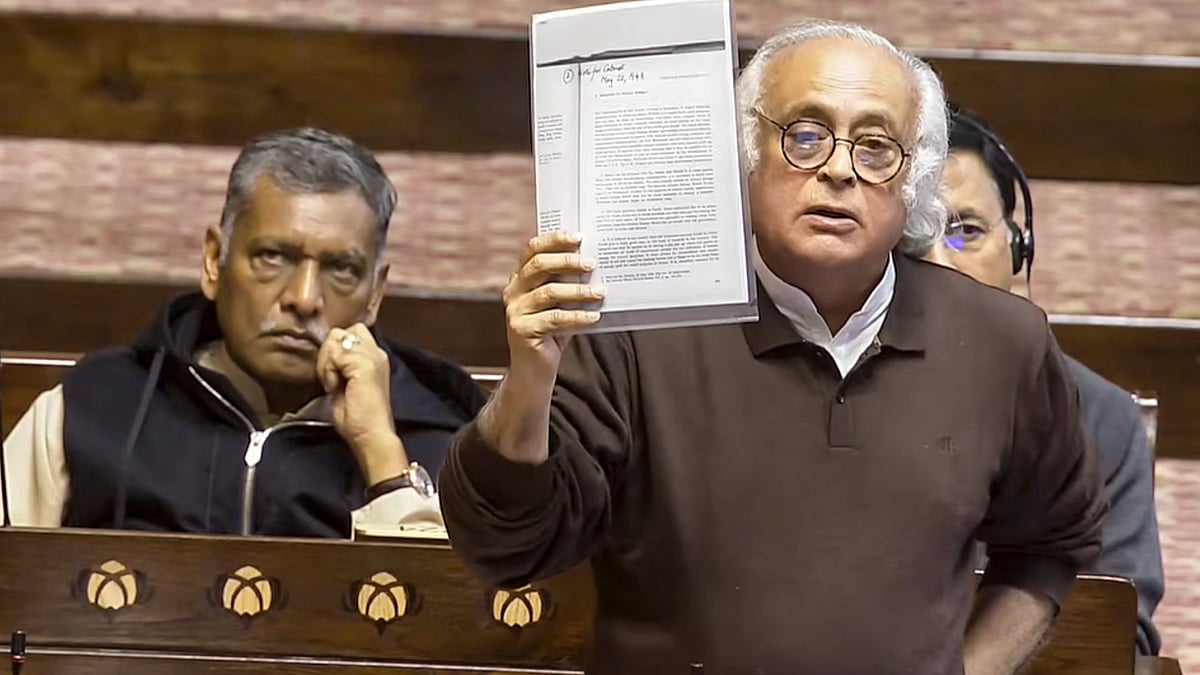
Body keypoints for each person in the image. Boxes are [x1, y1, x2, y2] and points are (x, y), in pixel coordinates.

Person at [439, 19, 1107, 675]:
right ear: (743, 155)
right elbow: (507, 545)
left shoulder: (1001, 341)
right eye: (806, 135)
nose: (841, 171)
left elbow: (1050, 541)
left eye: (876, 147)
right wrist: (530, 377)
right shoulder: (639, 327)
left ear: (913, 182)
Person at [1, 128, 485, 538]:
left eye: (340, 268)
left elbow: (450, 629)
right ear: (214, 261)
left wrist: (380, 449)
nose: (303, 297)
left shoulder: (441, 438)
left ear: (375, 293)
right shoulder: (95, 406)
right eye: (273, 257)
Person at [926, 104, 1164, 655]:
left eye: (966, 231)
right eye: (914, 238)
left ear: (1018, 248)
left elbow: (1116, 634)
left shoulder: (1099, 417)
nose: (940, 262)